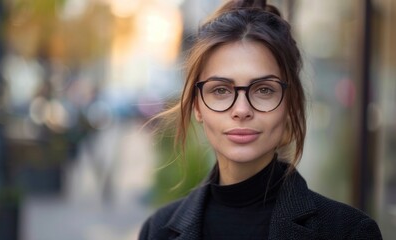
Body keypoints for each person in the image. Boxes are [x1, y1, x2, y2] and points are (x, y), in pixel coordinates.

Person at [139, 0, 382, 239]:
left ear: (290, 104)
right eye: (221, 90)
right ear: (197, 107)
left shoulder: (348, 231)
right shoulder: (157, 230)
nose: (242, 110)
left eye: (264, 89)